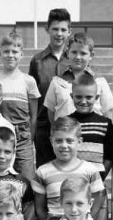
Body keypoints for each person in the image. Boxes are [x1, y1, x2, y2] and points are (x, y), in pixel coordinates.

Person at [32, 116, 105, 220]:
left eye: (69, 141)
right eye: (58, 141)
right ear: (51, 141)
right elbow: (40, 209)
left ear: (79, 142)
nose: (64, 145)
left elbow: (98, 198)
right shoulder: (42, 172)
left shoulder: (90, 170)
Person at [0, 32, 41, 180]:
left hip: (22, 137)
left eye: (14, 52)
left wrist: (29, 139)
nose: (10, 55)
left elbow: (33, 116)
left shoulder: (28, 81)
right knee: (1, 177)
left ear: (22, 55)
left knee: (26, 179)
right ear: (0, 53)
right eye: (6, 51)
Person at [29, 7, 71, 168]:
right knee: (45, 173)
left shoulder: (75, 60)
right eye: (55, 29)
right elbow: (32, 98)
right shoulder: (37, 61)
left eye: (63, 29)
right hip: (44, 128)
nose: (59, 34)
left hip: (70, 126)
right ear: (47, 29)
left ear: (69, 31)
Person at [44, 32, 113, 124]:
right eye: (74, 52)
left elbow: (108, 112)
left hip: (92, 134)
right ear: (67, 53)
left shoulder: (99, 81)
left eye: (83, 53)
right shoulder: (57, 81)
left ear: (91, 55)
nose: (78, 57)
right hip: (65, 134)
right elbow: (51, 111)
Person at [67, 74, 113, 178]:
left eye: (89, 97)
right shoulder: (66, 122)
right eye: (78, 97)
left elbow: (109, 156)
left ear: (97, 98)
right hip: (70, 180)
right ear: (72, 96)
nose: (83, 101)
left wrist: (99, 178)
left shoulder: (105, 123)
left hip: (95, 181)